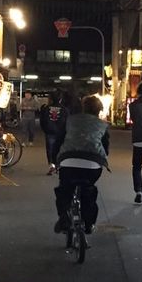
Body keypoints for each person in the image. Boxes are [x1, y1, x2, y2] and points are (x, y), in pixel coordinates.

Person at [52, 94, 109, 235]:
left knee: (65, 190)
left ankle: (64, 216)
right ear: (99, 110)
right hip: (92, 163)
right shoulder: (102, 125)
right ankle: (88, 224)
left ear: (83, 108)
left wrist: (55, 161)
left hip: (68, 161)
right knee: (88, 189)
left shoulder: (70, 121)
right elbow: (105, 148)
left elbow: (58, 141)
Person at [39, 90, 68, 174]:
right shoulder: (64, 109)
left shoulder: (46, 108)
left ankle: (52, 165)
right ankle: (58, 165)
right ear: (60, 99)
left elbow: (42, 120)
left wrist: (45, 129)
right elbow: (67, 121)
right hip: (61, 132)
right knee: (59, 149)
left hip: (49, 132)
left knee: (50, 149)